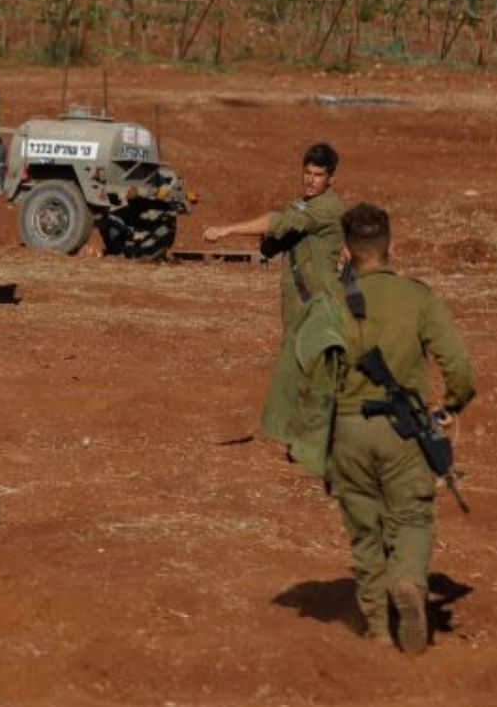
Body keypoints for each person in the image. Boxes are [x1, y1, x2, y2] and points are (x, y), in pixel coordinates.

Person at [328, 203, 475, 653]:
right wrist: (451, 403)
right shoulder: (418, 298)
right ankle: (409, 581)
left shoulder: (333, 300)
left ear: (347, 252)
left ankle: (374, 627)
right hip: (402, 429)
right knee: (411, 517)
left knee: (365, 529)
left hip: (349, 431)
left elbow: (311, 372)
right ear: (390, 247)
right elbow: (460, 368)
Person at [203, 142, 346, 329]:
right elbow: (278, 238)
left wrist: (228, 230)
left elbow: (279, 221)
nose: (310, 180)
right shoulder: (300, 204)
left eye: (318, 175)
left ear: (331, 179)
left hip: (317, 297)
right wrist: (270, 244)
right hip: (296, 293)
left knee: (313, 352)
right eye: (307, 173)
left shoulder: (327, 208)